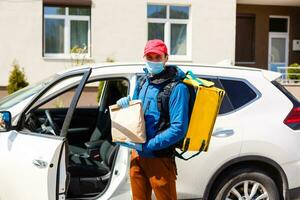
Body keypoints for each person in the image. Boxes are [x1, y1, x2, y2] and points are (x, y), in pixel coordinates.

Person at [116, 39, 189, 200]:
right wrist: (125, 105)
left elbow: (178, 129)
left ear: (166, 58)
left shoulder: (177, 88)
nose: (154, 60)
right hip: (137, 156)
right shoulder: (142, 82)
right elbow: (135, 112)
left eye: (158, 57)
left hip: (159, 159)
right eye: (150, 57)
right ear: (145, 58)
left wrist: (149, 145)